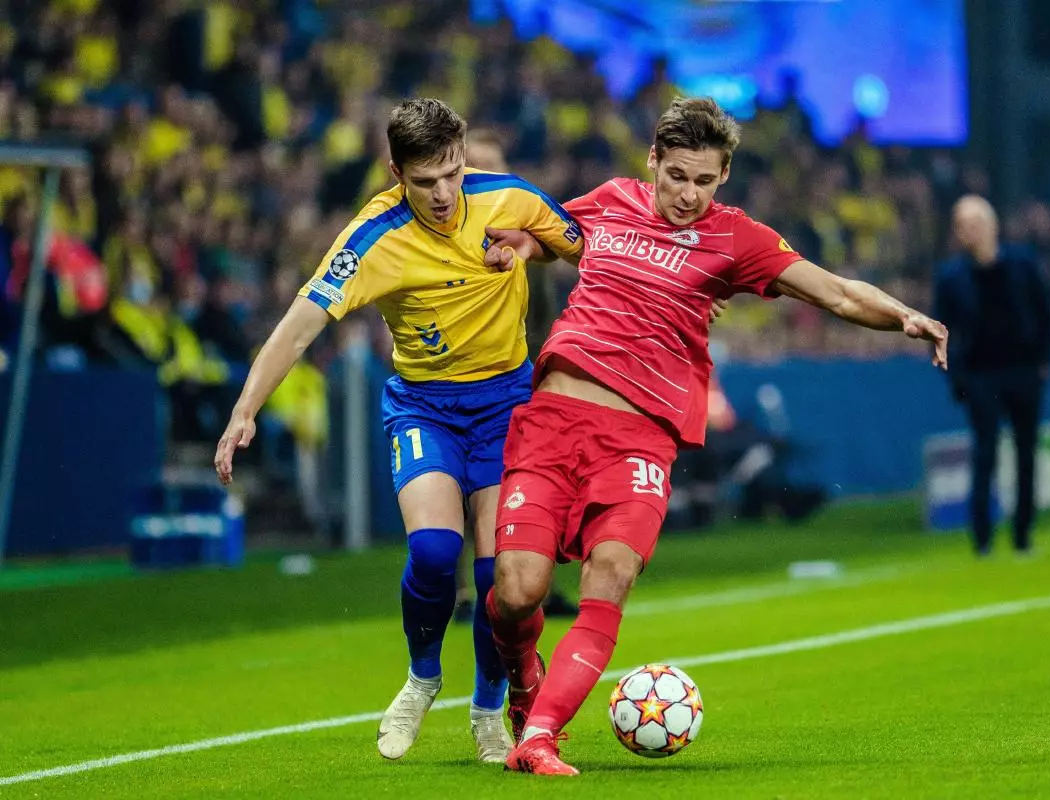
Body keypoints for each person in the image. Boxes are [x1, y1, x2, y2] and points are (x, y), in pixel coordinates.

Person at [482, 97, 948, 775]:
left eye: (704, 181)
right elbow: (546, 235)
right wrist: (521, 245)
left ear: (723, 175)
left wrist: (903, 314)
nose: (688, 195)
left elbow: (837, 293)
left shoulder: (736, 239)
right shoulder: (610, 201)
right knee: (517, 592)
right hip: (552, 421)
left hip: (641, 440)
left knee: (610, 572)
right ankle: (525, 678)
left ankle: (541, 736)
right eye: (677, 176)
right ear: (652, 163)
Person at [212, 98, 584, 764]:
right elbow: (300, 323)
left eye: (451, 173)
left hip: (505, 404)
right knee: (437, 554)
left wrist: (534, 246)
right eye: (424, 181)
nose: (442, 193)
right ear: (395, 171)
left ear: (463, 155)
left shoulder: (510, 199)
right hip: (425, 408)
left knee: (499, 574)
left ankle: (487, 710)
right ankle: (421, 676)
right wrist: (245, 409)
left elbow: (579, 243)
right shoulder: (371, 239)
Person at [449, 128, 580, 624]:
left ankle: (537, 585)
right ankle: (464, 591)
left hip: (524, 379)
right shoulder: (443, 241)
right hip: (461, 383)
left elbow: (545, 316)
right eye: (476, 167)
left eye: (495, 167)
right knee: (466, 486)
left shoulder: (530, 240)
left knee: (537, 483)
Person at [932, 195, 1050, 556]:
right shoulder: (951, 276)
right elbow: (939, 328)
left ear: (993, 225)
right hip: (980, 374)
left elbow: (1044, 311)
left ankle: (1023, 534)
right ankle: (982, 537)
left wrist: (1044, 360)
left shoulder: (1022, 264)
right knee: (984, 453)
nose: (970, 231)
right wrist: (957, 380)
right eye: (963, 225)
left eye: (976, 223)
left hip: (1023, 369)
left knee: (1026, 452)